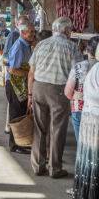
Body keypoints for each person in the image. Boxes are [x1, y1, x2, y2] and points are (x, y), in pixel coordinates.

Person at [28, 17, 82, 178]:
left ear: (54, 30)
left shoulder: (41, 44)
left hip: (39, 87)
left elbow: (31, 72)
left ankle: (38, 166)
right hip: (59, 91)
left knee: (39, 128)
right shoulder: (72, 47)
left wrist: (30, 94)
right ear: (67, 31)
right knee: (57, 129)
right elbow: (77, 74)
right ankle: (54, 168)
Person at [6, 21, 35, 154]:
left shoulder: (27, 45)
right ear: (23, 33)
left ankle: (21, 141)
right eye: (31, 32)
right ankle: (14, 145)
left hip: (21, 85)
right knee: (16, 115)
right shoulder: (19, 46)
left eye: (33, 32)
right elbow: (12, 70)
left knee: (22, 114)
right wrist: (30, 73)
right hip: (14, 85)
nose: (33, 35)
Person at [71, 61, 99, 199]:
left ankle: (85, 191)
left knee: (87, 156)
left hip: (86, 114)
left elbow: (68, 92)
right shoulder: (95, 69)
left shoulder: (89, 67)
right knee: (92, 157)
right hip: (93, 117)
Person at [65, 36, 99, 142]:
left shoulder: (79, 67)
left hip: (80, 108)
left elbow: (68, 93)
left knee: (82, 143)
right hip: (96, 109)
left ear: (87, 50)